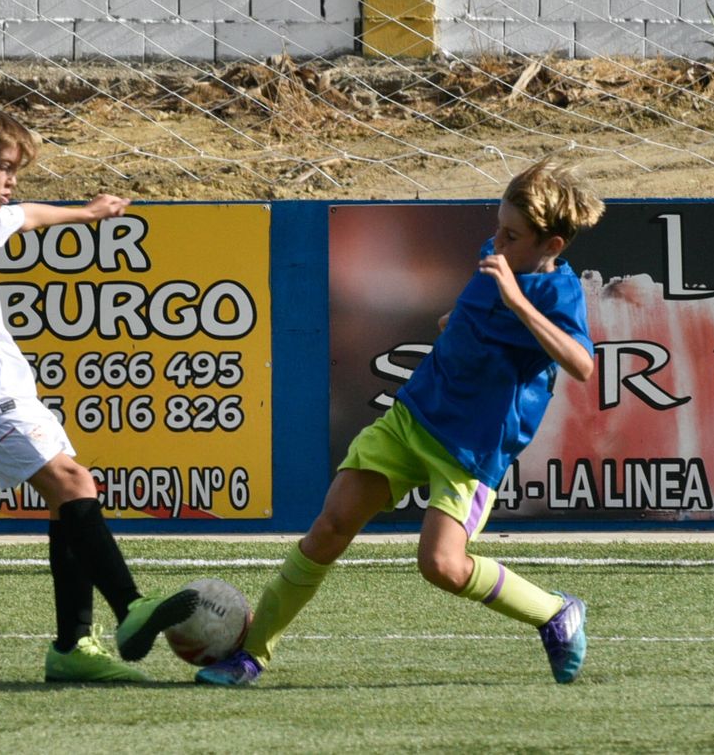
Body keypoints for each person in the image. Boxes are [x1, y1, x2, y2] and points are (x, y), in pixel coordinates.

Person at [198, 159, 606, 687]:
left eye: (511, 236)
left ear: (551, 245)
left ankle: (554, 611)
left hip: (470, 451)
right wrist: (458, 320)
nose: (497, 241)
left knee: (442, 566)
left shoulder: (557, 293)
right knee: (330, 527)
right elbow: (478, 314)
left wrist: (516, 300)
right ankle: (251, 655)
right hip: (412, 418)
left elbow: (582, 364)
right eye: (498, 228)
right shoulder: (495, 257)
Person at [0, 102, 197, 683]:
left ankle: (72, 648)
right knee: (74, 483)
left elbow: (25, 216)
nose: (11, 180)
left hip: (5, 384)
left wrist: (87, 212)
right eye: (4, 167)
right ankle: (132, 607)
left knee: (67, 499)